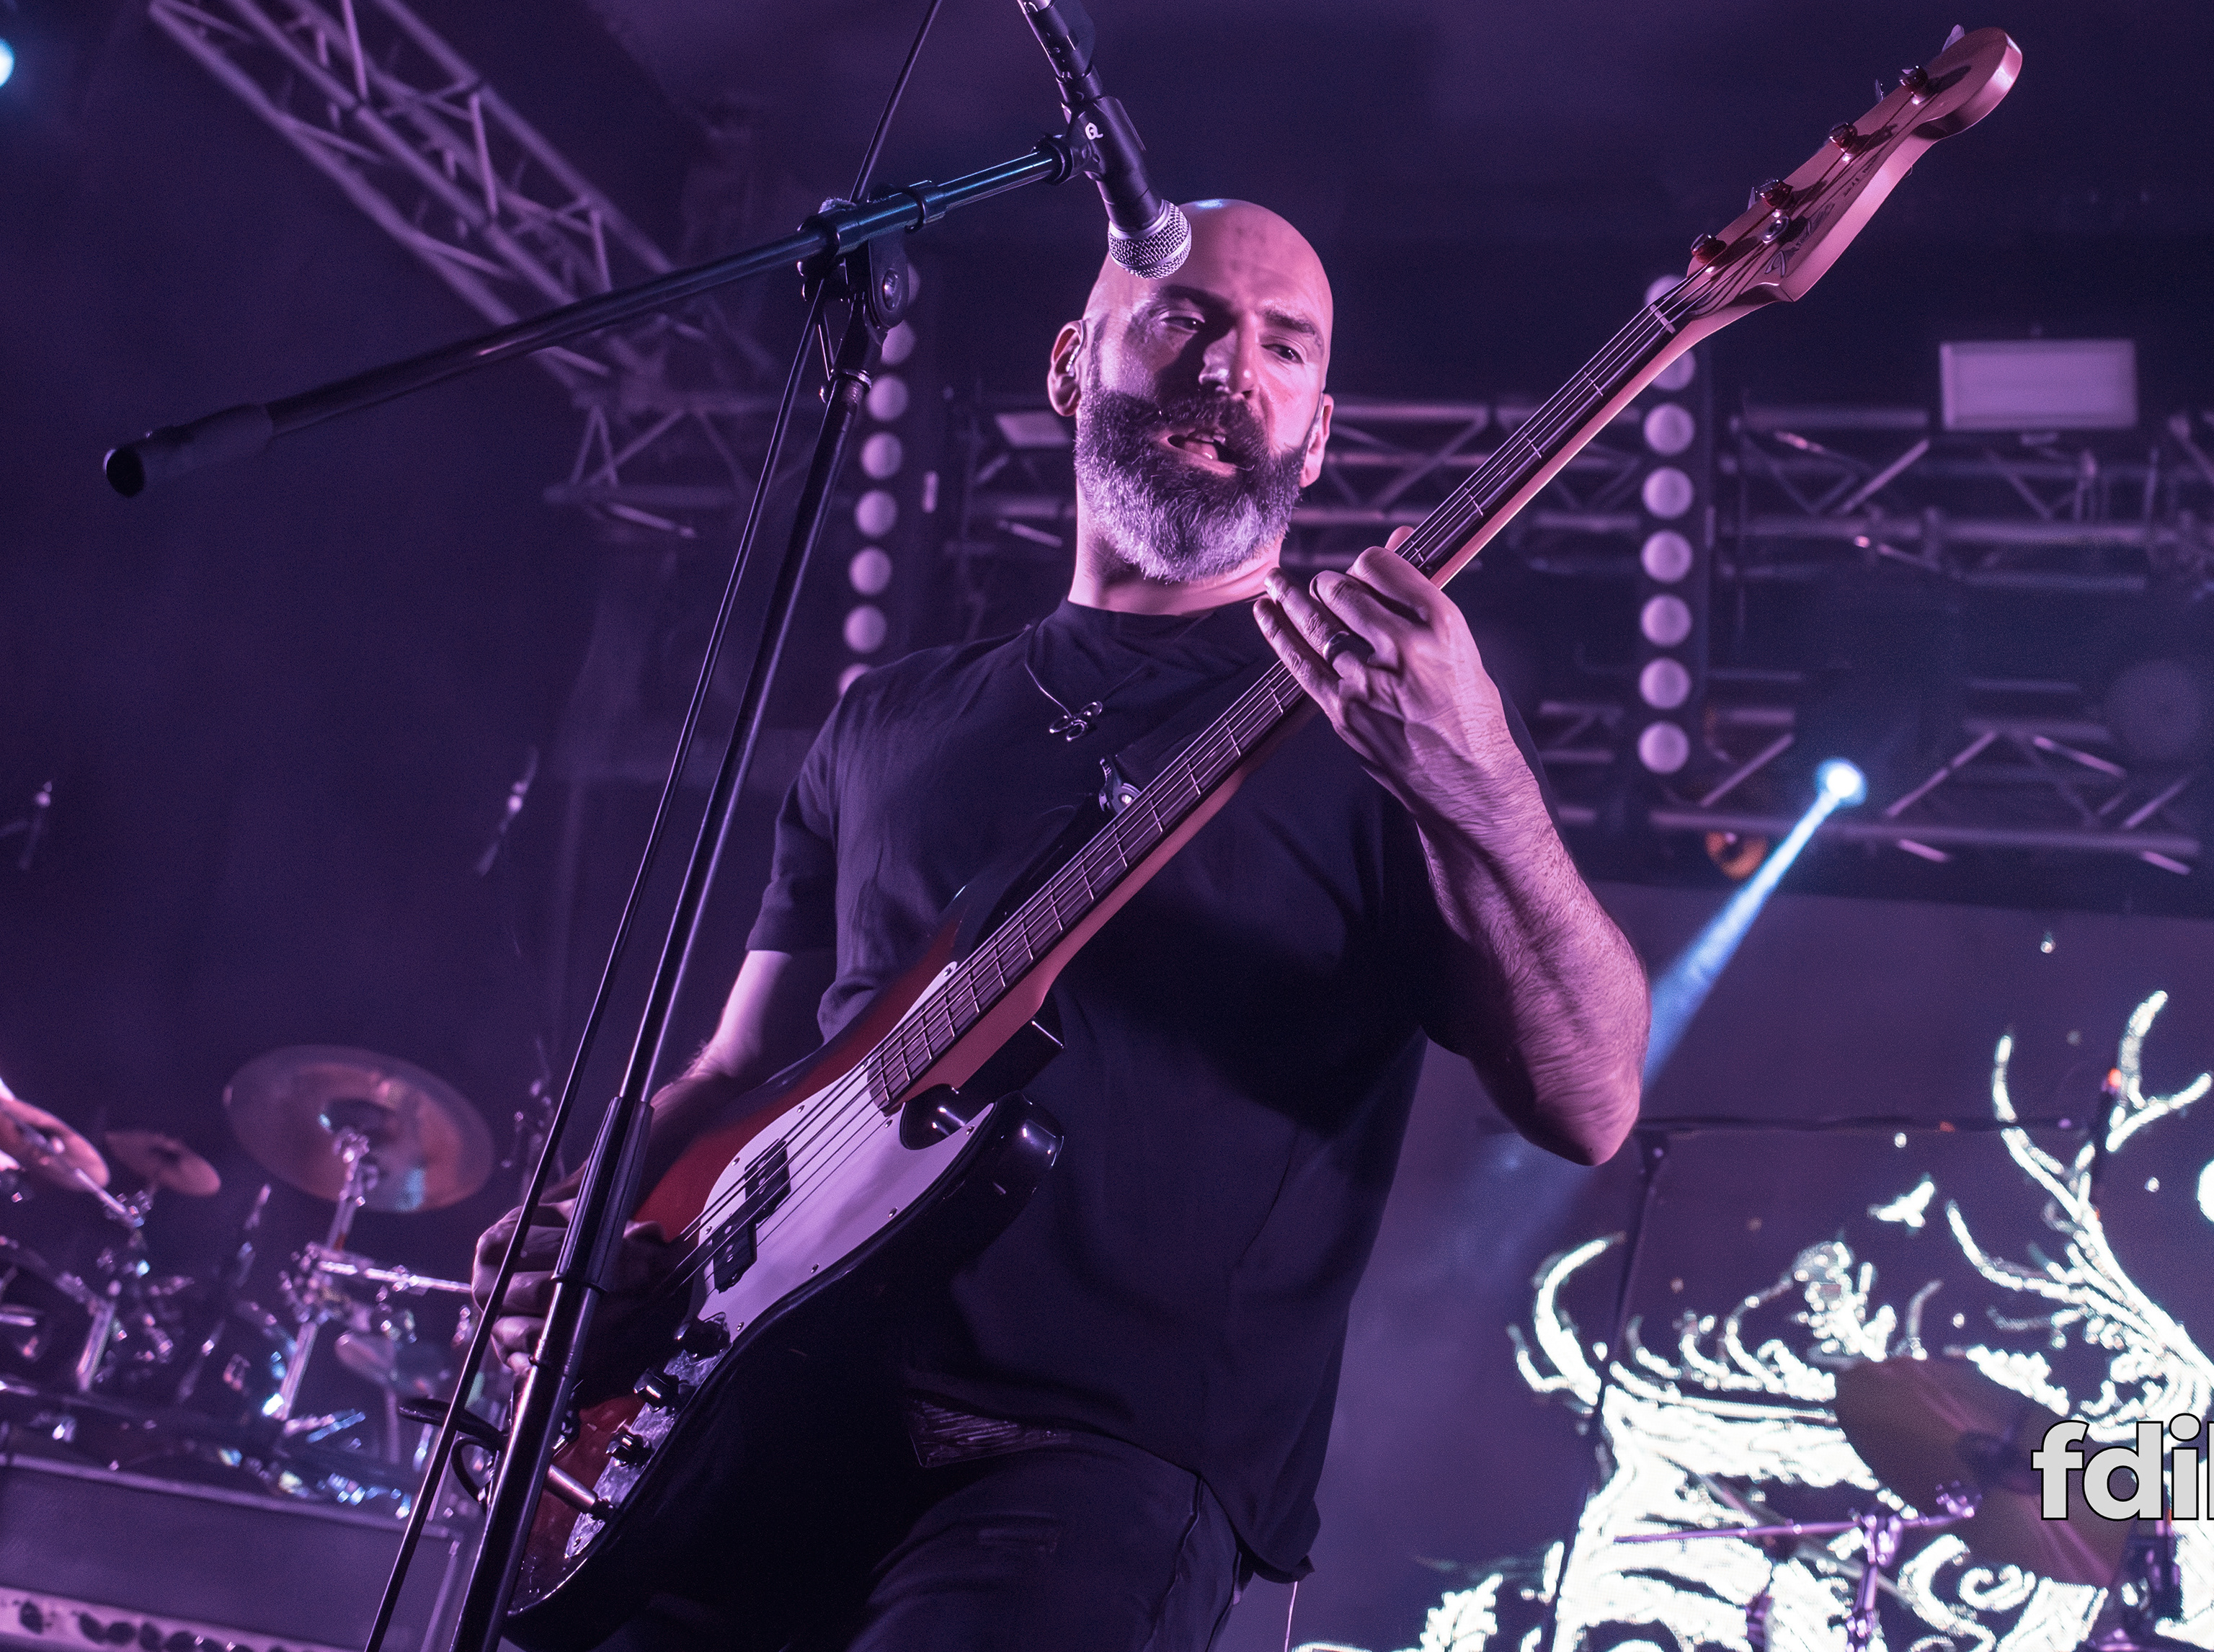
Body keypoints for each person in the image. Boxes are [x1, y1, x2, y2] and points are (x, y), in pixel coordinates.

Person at [479, 200, 1649, 1652]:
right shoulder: (886, 718)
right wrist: (592, 1230)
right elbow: (738, 1071)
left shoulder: (1376, 730)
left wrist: (1479, 780)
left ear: (1318, 434)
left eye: (1284, 346)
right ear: (1068, 364)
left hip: (1088, 1470)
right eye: (1185, 318)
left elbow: (1593, 1100)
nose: (1231, 367)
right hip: (751, 1405)